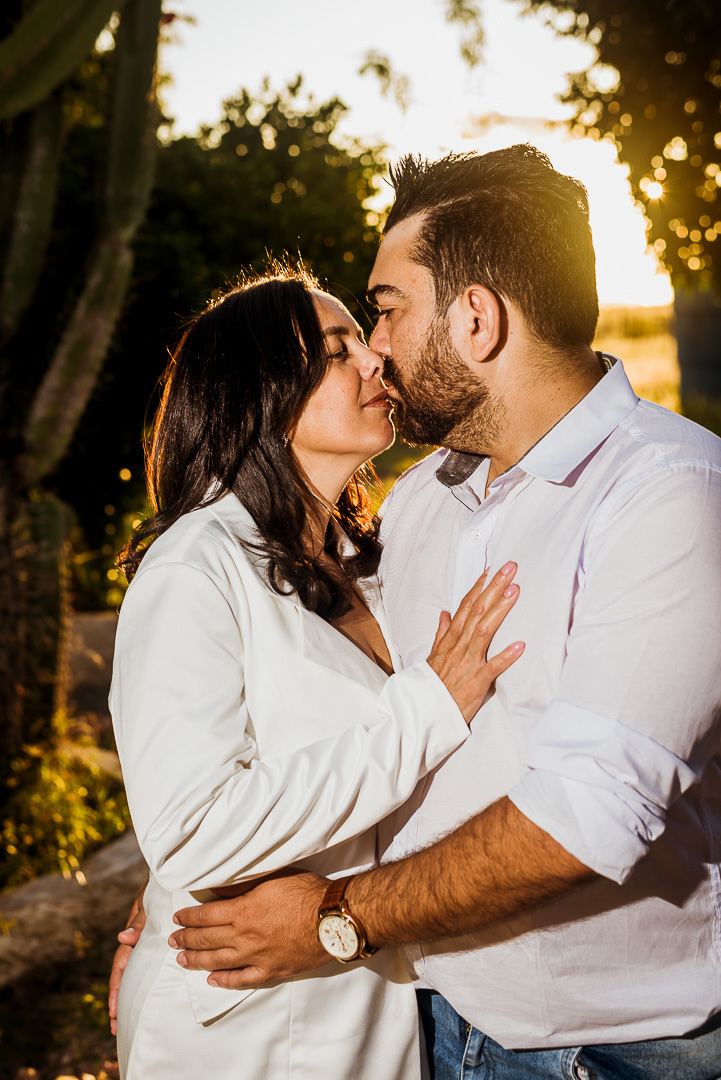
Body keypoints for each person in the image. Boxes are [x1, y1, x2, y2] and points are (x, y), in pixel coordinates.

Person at [160, 146, 721, 1080]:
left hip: (604, 1051)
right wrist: (183, 888)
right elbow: (313, 692)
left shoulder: (669, 494)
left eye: (384, 310)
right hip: (428, 1026)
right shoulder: (424, 497)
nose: (375, 348)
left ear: (475, 318)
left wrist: (337, 919)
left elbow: (588, 813)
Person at [108, 266, 526, 1079]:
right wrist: (425, 710)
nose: (375, 357)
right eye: (336, 349)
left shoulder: (374, 560)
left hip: (379, 1002)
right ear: (261, 391)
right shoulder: (193, 569)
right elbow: (191, 831)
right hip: (247, 1026)